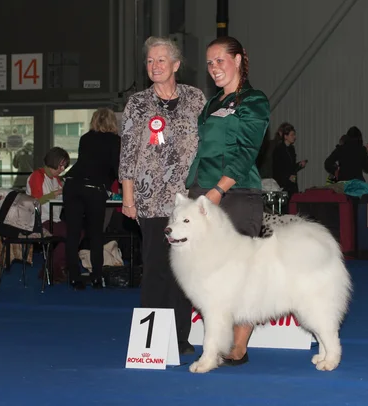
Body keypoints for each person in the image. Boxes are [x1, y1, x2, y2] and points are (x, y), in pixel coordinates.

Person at [185, 36, 270, 366]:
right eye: (209, 62)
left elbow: (247, 151)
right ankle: (214, 341)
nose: (214, 67)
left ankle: (239, 345)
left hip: (235, 193)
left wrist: (218, 190)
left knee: (242, 273)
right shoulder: (211, 103)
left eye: (220, 60)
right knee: (207, 274)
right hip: (202, 193)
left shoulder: (254, 100)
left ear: (238, 60)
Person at [119, 36, 207, 354]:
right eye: (150, 61)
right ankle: (153, 342)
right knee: (156, 267)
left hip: (186, 201)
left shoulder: (196, 99)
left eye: (161, 60)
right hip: (150, 199)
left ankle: (181, 337)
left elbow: (206, 146)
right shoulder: (138, 104)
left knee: (184, 271)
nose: (155, 66)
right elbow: (127, 153)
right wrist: (128, 199)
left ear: (176, 65)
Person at [63, 108, 120, 290]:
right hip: (94, 188)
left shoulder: (85, 138)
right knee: (95, 234)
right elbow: (117, 168)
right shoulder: (115, 140)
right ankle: (96, 277)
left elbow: (84, 161)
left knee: (72, 234)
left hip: (72, 184)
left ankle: (74, 276)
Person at [26, 147, 70, 283]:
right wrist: (55, 194)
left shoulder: (56, 179)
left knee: (78, 232)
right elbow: (36, 200)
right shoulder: (37, 176)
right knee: (72, 234)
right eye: (61, 165)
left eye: (65, 165)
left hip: (54, 219)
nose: (63, 168)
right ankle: (53, 268)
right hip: (40, 220)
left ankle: (51, 267)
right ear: (53, 161)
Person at [272, 122, 307, 196]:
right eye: (292, 135)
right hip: (283, 184)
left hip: (292, 183)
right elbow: (277, 168)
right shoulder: (279, 149)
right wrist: (287, 177)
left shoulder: (291, 149)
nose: (294, 137)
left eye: (294, 135)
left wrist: (299, 165)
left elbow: (292, 166)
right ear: (285, 136)